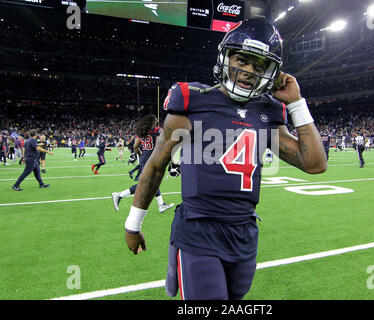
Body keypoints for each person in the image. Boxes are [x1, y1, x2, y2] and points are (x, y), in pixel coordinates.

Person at [122, 18, 327, 300]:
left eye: (258, 66)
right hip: (198, 229)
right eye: (242, 60)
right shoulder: (191, 100)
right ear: (225, 57)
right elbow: (156, 164)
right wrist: (133, 224)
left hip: (244, 233)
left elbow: (314, 163)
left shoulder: (268, 112)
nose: (248, 71)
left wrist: (296, 103)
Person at [112, 114, 174, 213]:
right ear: (153, 122)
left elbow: (136, 146)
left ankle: (161, 205)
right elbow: (159, 146)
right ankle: (119, 195)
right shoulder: (156, 130)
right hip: (153, 159)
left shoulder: (141, 132)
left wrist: (141, 155)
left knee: (153, 183)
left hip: (144, 158)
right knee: (146, 183)